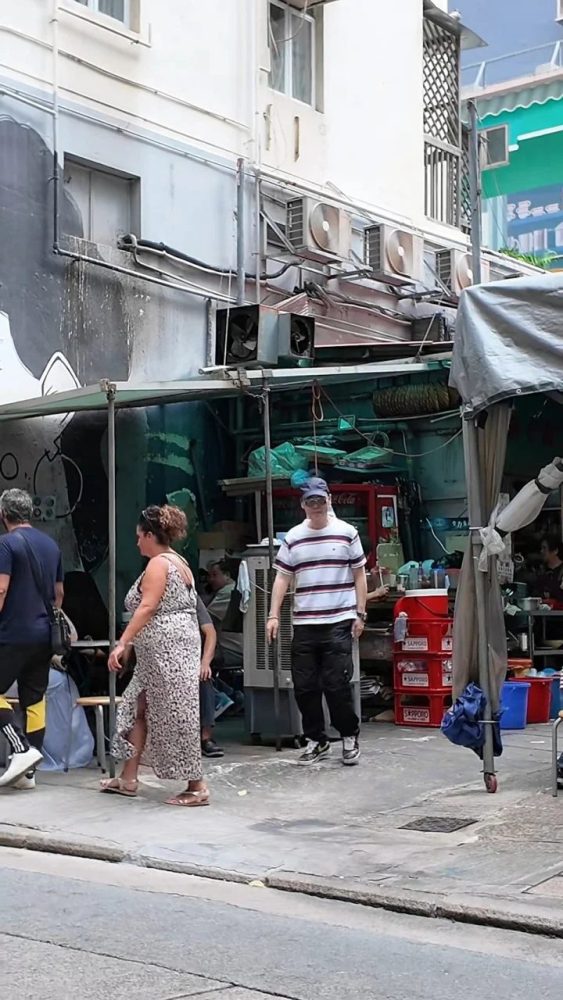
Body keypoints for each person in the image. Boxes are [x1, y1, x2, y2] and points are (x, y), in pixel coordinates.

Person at [101, 504, 209, 806]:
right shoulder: (178, 561)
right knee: (139, 708)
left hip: (167, 652)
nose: (137, 542)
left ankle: (197, 785)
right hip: (165, 651)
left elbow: (147, 606)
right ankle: (129, 777)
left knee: (178, 713)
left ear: (150, 535)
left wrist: (123, 642)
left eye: (139, 536)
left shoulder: (159, 564)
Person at [267, 477, 367, 767]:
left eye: (320, 501)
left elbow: (359, 574)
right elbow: (282, 577)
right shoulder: (294, 537)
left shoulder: (347, 533)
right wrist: (273, 614)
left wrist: (360, 613)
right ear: (303, 505)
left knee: (336, 684)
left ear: (329, 500)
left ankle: (348, 735)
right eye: (310, 501)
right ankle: (316, 739)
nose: (316, 506)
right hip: (304, 623)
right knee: (304, 686)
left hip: (338, 620)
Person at [0, 488, 64, 788]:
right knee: (34, 699)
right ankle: (28, 775)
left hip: (13, 632)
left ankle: (21, 749)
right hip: (44, 635)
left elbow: (1, 589)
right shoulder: (51, 545)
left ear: (3, 514)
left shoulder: (6, 544)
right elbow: (59, 594)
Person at [196, 596, 224, 759]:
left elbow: (210, 632)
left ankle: (206, 737)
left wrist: (205, 662)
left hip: (191, 656)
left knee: (204, 678)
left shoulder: (192, 597)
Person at [538, 534, 563, 605]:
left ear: (555, 551)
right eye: (541, 548)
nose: (541, 551)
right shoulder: (542, 570)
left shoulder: (561, 571)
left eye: (544, 548)